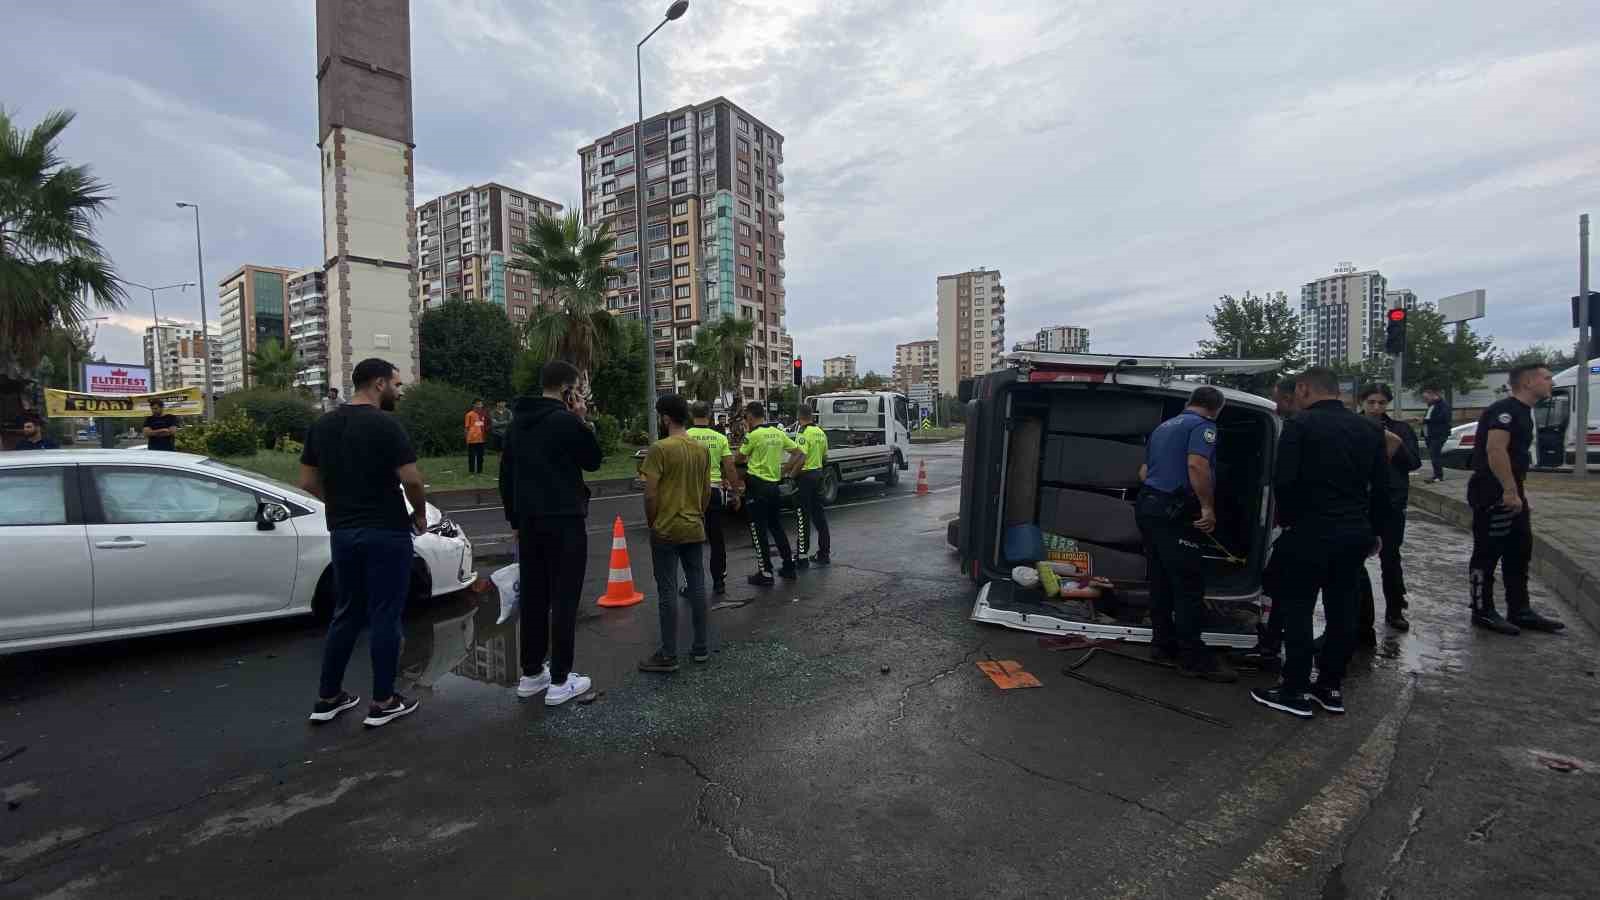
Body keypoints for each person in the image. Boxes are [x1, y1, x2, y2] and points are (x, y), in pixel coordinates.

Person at [1250, 368, 1390, 719]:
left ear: (1303, 389)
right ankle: (1329, 688)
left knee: (1297, 610)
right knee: (1342, 612)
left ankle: (1293, 689)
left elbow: (1284, 482)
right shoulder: (1369, 429)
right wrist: (1374, 532)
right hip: (1354, 535)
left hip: (1310, 532)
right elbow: (1383, 489)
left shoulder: (1300, 426)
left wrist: (1293, 523)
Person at [300, 358, 428, 728]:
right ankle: (384, 700)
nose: (399, 391)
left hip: (343, 532)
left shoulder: (322, 425)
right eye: (396, 385)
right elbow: (412, 480)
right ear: (378, 384)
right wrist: (419, 514)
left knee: (347, 612)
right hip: (386, 532)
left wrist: (339, 503)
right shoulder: (386, 425)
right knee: (385, 614)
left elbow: (307, 482)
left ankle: (328, 697)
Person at [499, 361, 603, 705]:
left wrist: (514, 521)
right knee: (564, 598)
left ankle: (531, 673)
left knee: (534, 596)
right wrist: (581, 418)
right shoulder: (564, 421)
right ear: (568, 390)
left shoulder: (517, 425)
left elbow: (505, 478)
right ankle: (560, 680)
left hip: (528, 523)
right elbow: (593, 459)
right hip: (564, 520)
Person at [1134, 386, 1234, 682]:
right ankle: (1193, 658)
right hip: (1174, 513)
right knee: (1188, 584)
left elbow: (1143, 472)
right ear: (1216, 408)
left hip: (1149, 507)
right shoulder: (1204, 427)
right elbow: (1197, 465)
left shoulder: (1163, 427)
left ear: (1191, 402)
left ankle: (1162, 645)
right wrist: (1207, 508)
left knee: (1160, 578)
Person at [1466, 364, 1565, 635]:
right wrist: (1509, 491)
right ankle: (1482, 610)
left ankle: (1520, 609)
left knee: (1519, 550)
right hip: (1492, 490)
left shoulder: (1524, 412)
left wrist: (1517, 491)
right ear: (1528, 382)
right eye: (1546, 378)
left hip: (1512, 487)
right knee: (1487, 552)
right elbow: (1495, 450)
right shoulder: (1505, 410)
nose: (1550, 382)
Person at [638, 395, 712, 673]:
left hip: (666, 529)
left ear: (666, 418)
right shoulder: (700, 449)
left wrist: (652, 522)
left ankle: (669, 654)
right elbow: (706, 493)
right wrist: (698, 514)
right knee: (697, 586)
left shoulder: (660, 449)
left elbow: (650, 494)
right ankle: (701, 647)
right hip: (694, 526)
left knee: (667, 590)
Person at [1235, 376, 1299, 669]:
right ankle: (1271, 641)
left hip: (1298, 529)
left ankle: (1273, 647)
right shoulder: (1354, 428)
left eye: (1278, 397)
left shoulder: (1298, 429)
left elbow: (1283, 480)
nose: (1276, 403)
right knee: (1281, 586)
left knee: (1284, 588)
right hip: (1326, 527)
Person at [1356, 383, 1422, 641]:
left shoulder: (1400, 429)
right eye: (1371, 402)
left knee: (1391, 558)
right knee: (1353, 560)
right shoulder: (1352, 426)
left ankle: (1395, 609)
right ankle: (1359, 617)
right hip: (1360, 503)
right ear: (1362, 402)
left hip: (1391, 503)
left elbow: (1414, 462)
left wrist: (1394, 445)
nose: (1375, 407)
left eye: (1381, 403)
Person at [737, 401, 805, 586]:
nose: (745, 420)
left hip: (757, 486)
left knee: (758, 531)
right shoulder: (778, 433)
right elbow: (799, 453)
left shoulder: (753, 435)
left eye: (746, 417)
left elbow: (739, 458)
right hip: (774, 486)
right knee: (776, 527)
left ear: (750, 416)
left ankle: (765, 572)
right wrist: (785, 472)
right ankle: (788, 567)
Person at [687, 401, 739, 594]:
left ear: (692, 415)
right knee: (716, 538)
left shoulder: (684, 437)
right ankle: (719, 581)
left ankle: (693, 584)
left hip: (690, 493)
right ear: (709, 416)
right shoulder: (719, 438)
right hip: (714, 490)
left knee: (691, 539)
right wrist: (735, 492)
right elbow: (730, 467)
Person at [793, 403, 832, 567]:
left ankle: (802, 556)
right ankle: (824, 553)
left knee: (803, 517)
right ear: (811, 415)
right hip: (818, 475)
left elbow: (800, 457)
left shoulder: (803, 433)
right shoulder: (820, 432)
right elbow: (825, 458)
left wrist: (791, 474)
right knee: (819, 516)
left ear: (798, 416)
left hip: (805, 478)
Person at [1421, 387, 1452, 483]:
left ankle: (1438, 476)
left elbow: (1443, 418)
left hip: (1438, 434)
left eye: (1426, 398)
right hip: (1429, 434)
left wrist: (1425, 420)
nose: (1425, 400)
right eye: (1424, 399)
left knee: (1435, 455)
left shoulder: (1443, 405)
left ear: (1434, 395)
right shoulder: (1431, 405)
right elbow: (1429, 418)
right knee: (1433, 455)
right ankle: (1436, 475)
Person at [464, 399, 489, 475]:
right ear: (474, 405)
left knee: (480, 456)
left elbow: (485, 425)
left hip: (481, 439)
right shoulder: (469, 414)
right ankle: (471, 471)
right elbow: (466, 428)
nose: (479, 406)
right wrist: (467, 438)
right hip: (472, 439)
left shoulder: (483, 414)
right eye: (478, 404)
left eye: (481, 404)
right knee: (471, 456)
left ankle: (479, 471)